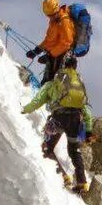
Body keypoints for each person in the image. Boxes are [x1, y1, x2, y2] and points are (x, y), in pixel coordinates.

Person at [21, 54, 95, 193]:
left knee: (47, 148)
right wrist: (89, 131)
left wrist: (24, 110)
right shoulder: (79, 87)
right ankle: (82, 182)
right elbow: (87, 113)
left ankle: (63, 176)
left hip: (58, 119)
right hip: (75, 120)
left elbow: (37, 101)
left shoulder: (54, 83)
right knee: (74, 151)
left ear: (63, 66)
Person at [25, 0, 75, 85]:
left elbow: (67, 43)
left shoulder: (65, 22)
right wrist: (37, 50)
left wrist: (50, 55)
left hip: (63, 58)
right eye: (48, 16)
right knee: (46, 83)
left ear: (57, 11)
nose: (50, 17)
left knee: (54, 85)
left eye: (51, 15)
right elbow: (49, 40)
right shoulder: (54, 21)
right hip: (54, 56)